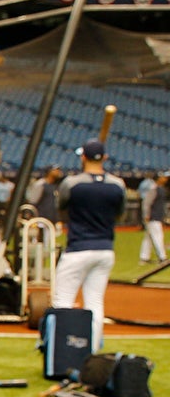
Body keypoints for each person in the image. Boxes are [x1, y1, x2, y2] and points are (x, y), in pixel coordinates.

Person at [52, 139, 127, 351]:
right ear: (104, 158)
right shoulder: (117, 184)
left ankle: (61, 351)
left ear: (83, 157)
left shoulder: (73, 183)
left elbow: (61, 206)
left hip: (78, 247)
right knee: (95, 302)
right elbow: (120, 214)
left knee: (63, 301)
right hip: (104, 248)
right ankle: (91, 350)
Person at [139, 172, 167, 265]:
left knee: (148, 238)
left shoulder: (160, 189)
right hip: (153, 217)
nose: (165, 179)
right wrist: (146, 215)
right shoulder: (153, 188)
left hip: (156, 216)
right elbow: (147, 203)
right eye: (163, 177)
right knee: (157, 236)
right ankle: (162, 257)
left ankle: (144, 258)